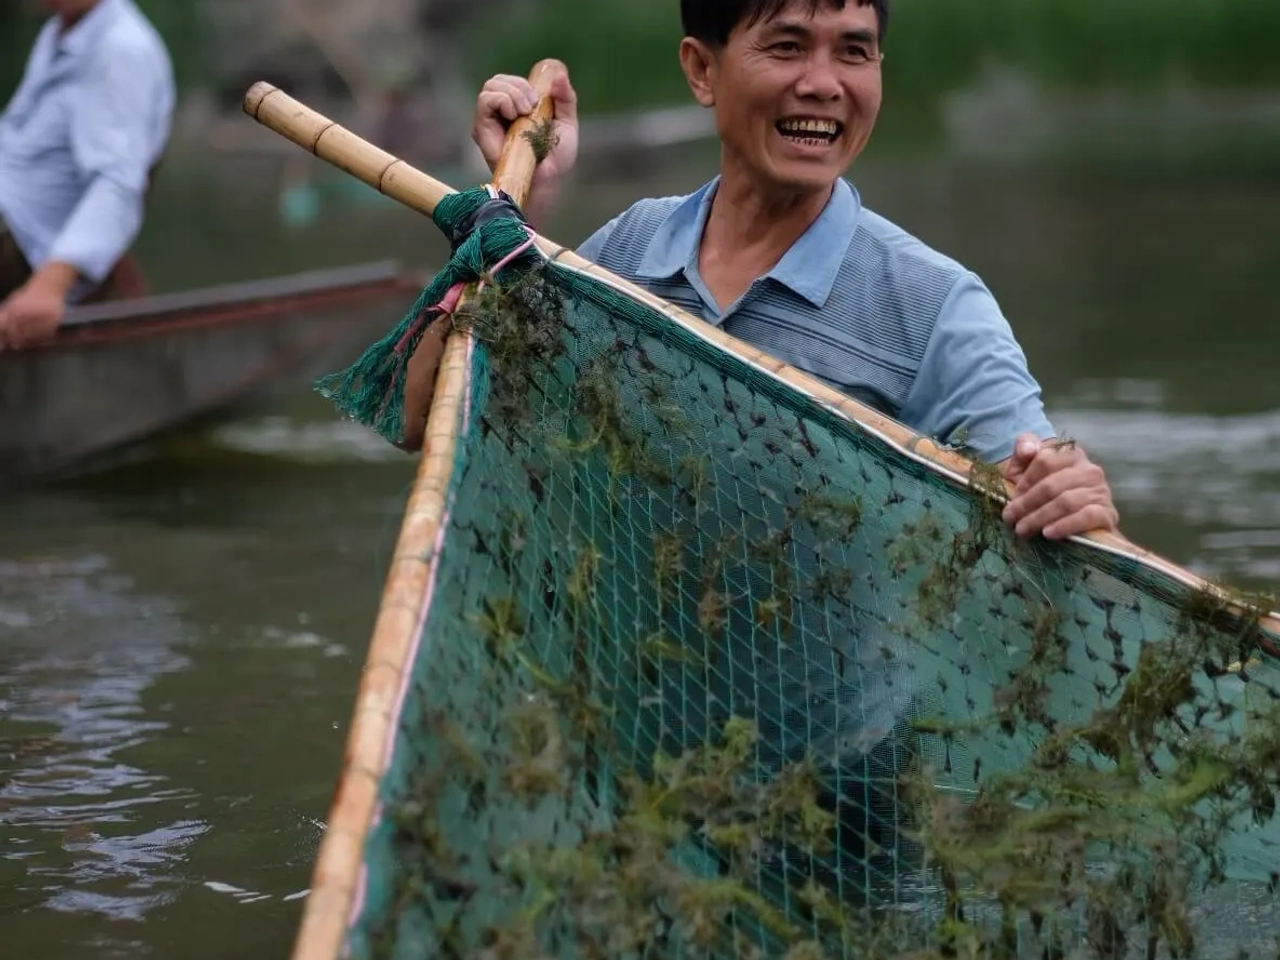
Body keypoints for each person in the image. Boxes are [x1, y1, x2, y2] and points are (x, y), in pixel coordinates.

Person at [407, 0, 1119, 544]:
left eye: (854, 52)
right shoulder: (626, 253)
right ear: (701, 69)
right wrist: (524, 203)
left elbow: (1059, 514)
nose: (823, 84)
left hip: (841, 736)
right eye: (786, 46)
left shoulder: (935, 306)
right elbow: (431, 417)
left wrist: (1070, 499)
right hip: (615, 707)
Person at [0, 0, 175, 350]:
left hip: (26, 243)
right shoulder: (61, 31)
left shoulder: (121, 50)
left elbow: (118, 182)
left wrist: (48, 286)